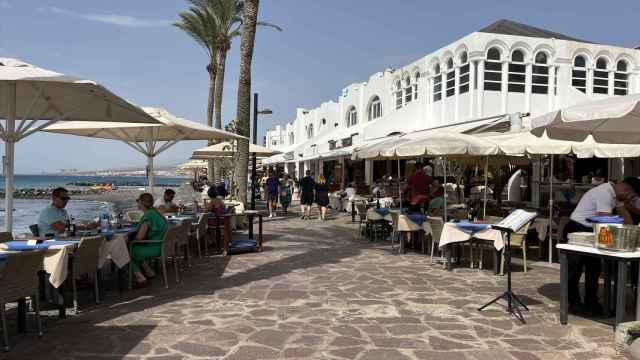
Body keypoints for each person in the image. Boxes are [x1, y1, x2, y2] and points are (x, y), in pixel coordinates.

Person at [563, 177, 640, 315]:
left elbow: (627, 220)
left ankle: (591, 303)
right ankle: (573, 303)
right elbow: (606, 221)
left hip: (590, 230)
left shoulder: (615, 195)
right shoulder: (605, 192)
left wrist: (632, 227)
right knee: (575, 269)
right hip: (576, 229)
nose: (630, 199)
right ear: (626, 189)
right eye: (631, 195)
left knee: (594, 269)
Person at [130, 193, 168, 287]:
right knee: (134, 247)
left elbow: (139, 237)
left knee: (127, 249)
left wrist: (129, 239)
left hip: (153, 248)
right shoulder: (155, 213)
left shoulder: (148, 216)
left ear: (142, 203)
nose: (137, 203)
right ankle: (149, 272)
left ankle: (139, 277)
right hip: (162, 246)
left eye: (138, 200)